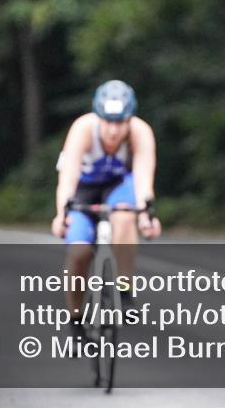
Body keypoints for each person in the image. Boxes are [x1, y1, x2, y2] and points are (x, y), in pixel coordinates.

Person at [51, 80, 161, 345]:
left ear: (129, 119)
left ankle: (124, 291)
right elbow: (68, 177)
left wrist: (146, 216)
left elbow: (143, 180)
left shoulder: (140, 131)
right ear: (97, 117)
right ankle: (75, 320)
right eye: (108, 121)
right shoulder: (83, 128)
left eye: (120, 122)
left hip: (118, 186)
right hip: (83, 189)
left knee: (124, 215)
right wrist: (61, 214)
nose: (113, 130)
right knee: (79, 253)